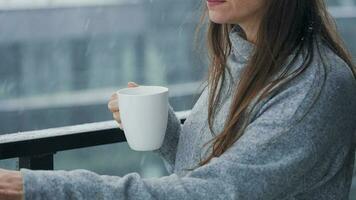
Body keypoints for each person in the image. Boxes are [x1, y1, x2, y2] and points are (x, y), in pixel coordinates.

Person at [1, 0, 356, 199]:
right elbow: (212, 170)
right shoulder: (241, 55)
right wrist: (168, 132)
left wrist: (35, 187)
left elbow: (213, 193)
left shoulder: (316, 85)